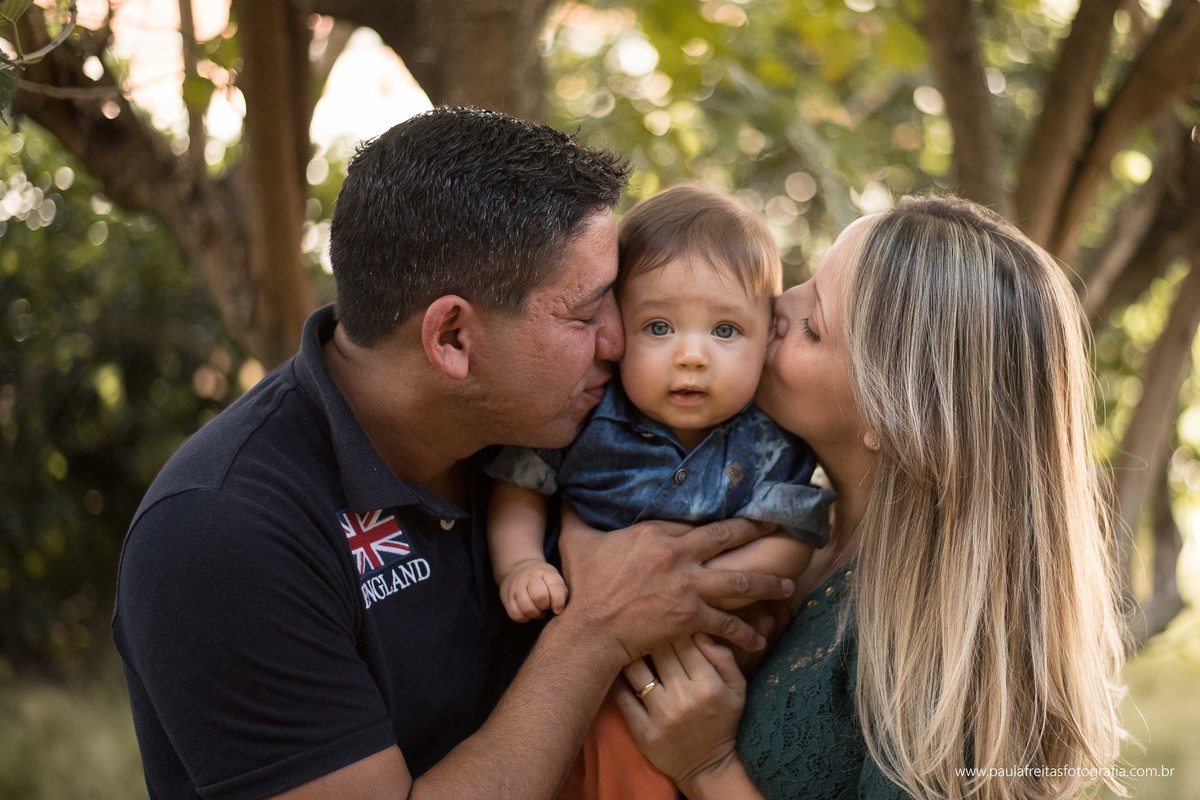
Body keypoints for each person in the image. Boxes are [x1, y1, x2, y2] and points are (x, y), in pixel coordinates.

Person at [111, 107, 796, 800]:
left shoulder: (548, 423)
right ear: (453, 340)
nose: (619, 343)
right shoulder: (221, 534)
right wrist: (597, 630)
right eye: (585, 316)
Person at [608, 195, 1128, 800]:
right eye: (805, 283)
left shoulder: (947, 666)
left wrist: (708, 769)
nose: (778, 304)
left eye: (812, 326)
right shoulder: (783, 517)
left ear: (894, 415)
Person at [485, 184, 835, 800]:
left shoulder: (772, 438)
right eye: (660, 327)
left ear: (766, 335)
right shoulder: (587, 411)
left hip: (706, 650)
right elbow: (522, 485)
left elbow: (791, 536)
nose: (692, 356)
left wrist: (700, 589)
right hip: (585, 655)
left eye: (726, 330)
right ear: (617, 328)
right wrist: (520, 564)